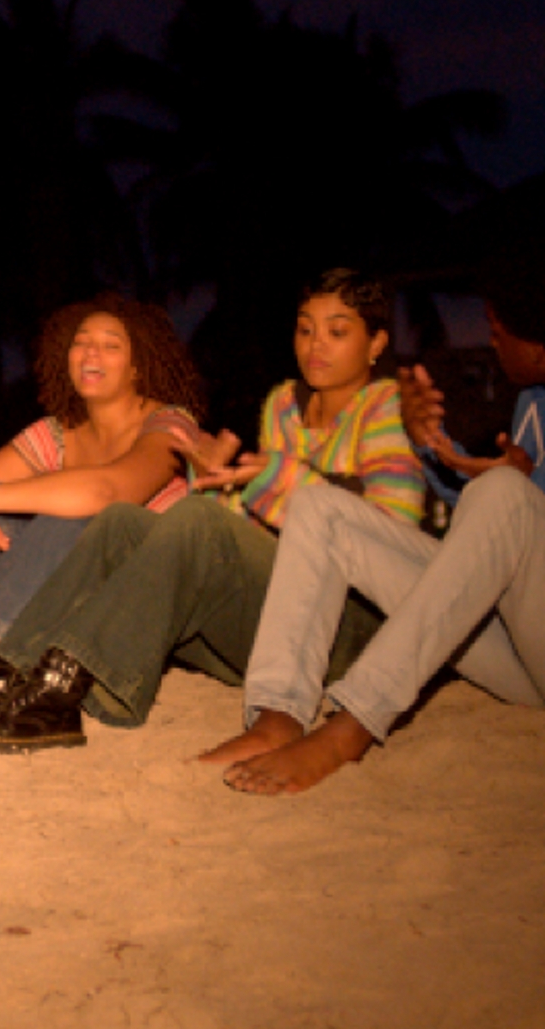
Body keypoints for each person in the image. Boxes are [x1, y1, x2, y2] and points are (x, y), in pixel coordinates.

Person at [0, 268, 425, 753]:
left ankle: (63, 686)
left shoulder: (389, 408)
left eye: (337, 332)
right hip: (279, 621)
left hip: (348, 631)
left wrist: (273, 477)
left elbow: (388, 539)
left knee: (197, 522)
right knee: (124, 522)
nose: (316, 344)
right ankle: (12, 671)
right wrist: (213, 481)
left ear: (376, 342)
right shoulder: (284, 404)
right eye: (305, 328)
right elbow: (258, 528)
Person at [205, 246, 545, 794]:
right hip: (513, 648)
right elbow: (490, 543)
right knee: (319, 508)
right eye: (306, 330)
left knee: (504, 491)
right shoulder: (531, 402)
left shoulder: (376, 402)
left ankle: (352, 726)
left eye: (500, 324)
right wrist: (431, 446)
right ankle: (277, 714)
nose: (491, 337)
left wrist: (514, 487)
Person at [0, 293, 206, 721]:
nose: (92, 352)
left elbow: (105, 492)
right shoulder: (59, 432)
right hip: (69, 599)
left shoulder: (170, 426)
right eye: (82, 341)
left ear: (138, 367)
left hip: (140, 600)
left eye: (111, 345)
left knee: (68, 510)